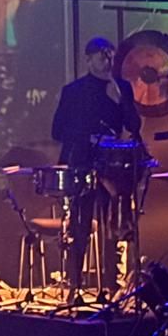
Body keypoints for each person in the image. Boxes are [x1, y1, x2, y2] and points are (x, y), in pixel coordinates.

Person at [50, 36, 143, 295]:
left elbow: (134, 127)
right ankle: (75, 284)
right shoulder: (74, 91)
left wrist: (119, 97)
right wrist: (86, 136)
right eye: (101, 55)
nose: (107, 60)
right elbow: (57, 131)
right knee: (81, 226)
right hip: (81, 163)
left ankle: (112, 285)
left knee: (112, 225)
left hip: (111, 167)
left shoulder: (122, 87)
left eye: (110, 55)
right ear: (89, 59)